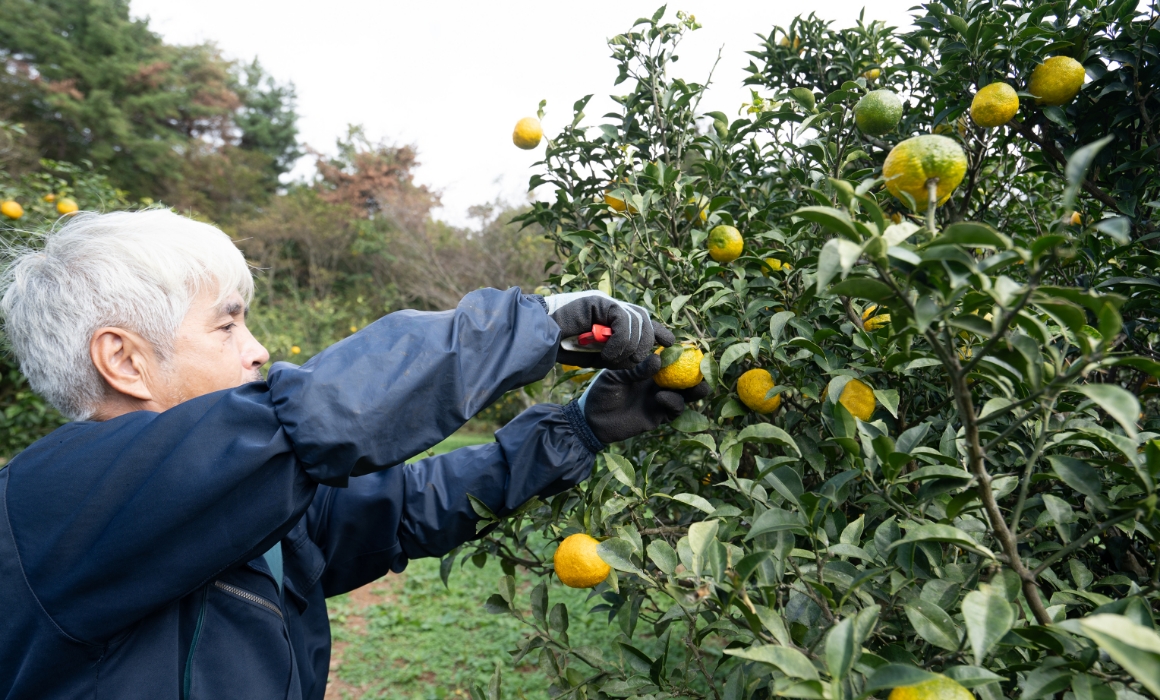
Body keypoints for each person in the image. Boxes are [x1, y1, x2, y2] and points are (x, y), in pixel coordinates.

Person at [0, 210, 709, 699]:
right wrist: (532, 322)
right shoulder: (52, 504)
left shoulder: (236, 499)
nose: (258, 350)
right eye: (227, 326)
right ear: (123, 358)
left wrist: (577, 432)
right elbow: (315, 417)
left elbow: (402, 510)